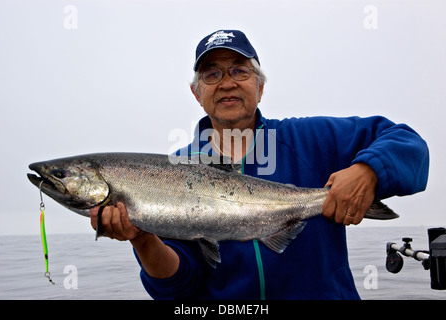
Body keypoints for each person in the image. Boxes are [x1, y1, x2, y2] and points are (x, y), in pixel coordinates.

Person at [90, 30, 429, 299]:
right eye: (212, 73)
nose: (226, 82)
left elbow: (409, 145)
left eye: (240, 70)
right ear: (197, 93)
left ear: (260, 86)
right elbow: (179, 288)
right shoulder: (172, 172)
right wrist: (143, 240)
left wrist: (367, 172)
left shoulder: (312, 138)